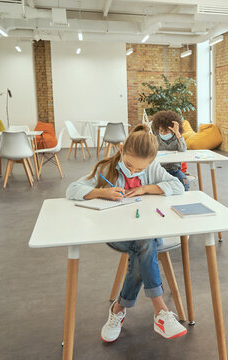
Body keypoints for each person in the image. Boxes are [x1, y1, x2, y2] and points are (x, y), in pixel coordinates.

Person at [66, 124, 187, 342]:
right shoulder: (106, 168)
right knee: (146, 243)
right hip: (117, 235)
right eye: (129, 165)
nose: (132, 171)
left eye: (139, 169)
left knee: (144, 243)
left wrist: (146, 188)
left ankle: (119, 310)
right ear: (122, 150)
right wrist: (100, 191)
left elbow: (178, 185)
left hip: (144, 233)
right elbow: (72, 189)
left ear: (151, 162)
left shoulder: (152, 168)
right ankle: (160, 311)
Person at [151, 110, 189, 191]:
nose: (163, 133)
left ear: (172, 131)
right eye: (161, 131)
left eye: (166, 131)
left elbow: (183, 149)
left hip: (174, 170)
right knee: (156, 186)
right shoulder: (155, 139)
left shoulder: (177, 139)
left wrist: (177, 133)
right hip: (159, 171)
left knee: (185, 184)